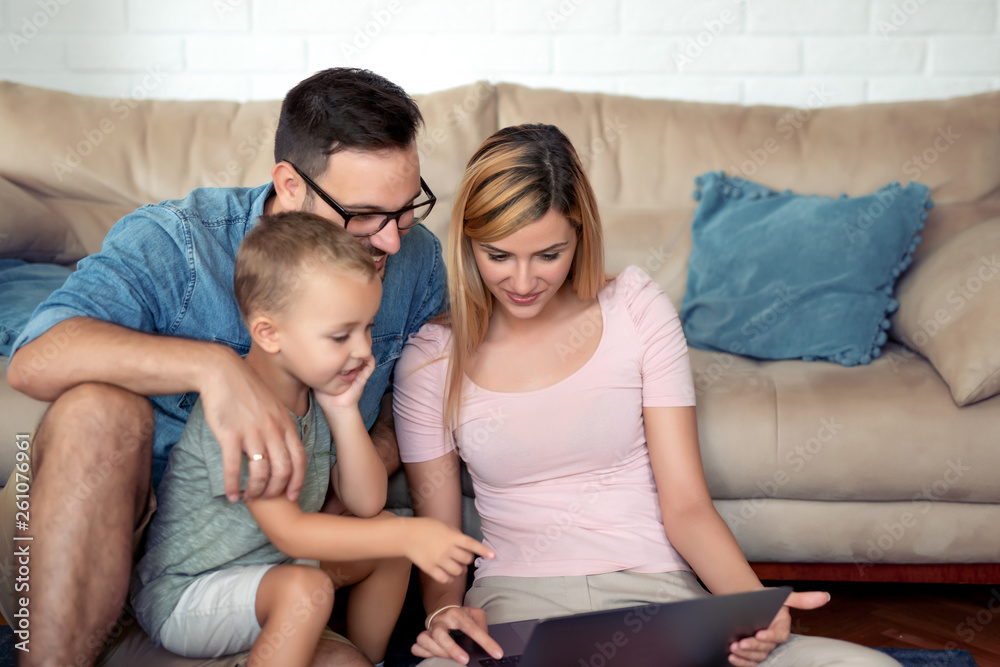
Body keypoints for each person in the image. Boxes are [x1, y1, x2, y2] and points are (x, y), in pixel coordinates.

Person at [392, 124, 903, 667]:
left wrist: (755, 609)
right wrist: (441, 617)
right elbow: (440, 537)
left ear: (580, 236)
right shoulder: (431, 358)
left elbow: (686, 505)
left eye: (548, 254)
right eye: (499, 256)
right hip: (514, 611)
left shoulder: (634, 306)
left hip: (657, 597)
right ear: (468, 243)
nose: (522, 281)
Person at [2, 68, 446, 667]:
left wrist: (361, 457)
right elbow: (36, 359)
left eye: (407, 208)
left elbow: (414, 399)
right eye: (365, 214)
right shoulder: (178, 243)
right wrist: (214, 368)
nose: (391, 241)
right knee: (99, 408)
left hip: (264, 570)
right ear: (290, 185)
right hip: (135, 544)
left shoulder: (415, 261)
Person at [131, 211, 493, 667]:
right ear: (269, 333)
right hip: (192, 595)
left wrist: (342, 412)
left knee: (386, 541)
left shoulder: (310, 392)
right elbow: (292, 533)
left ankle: (362, 658)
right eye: (341, 335)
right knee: (311, 585)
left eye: (366, 328)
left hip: (272, 573)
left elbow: (365, 502)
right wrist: (413, 531)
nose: (363, 351)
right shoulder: (244, 415)